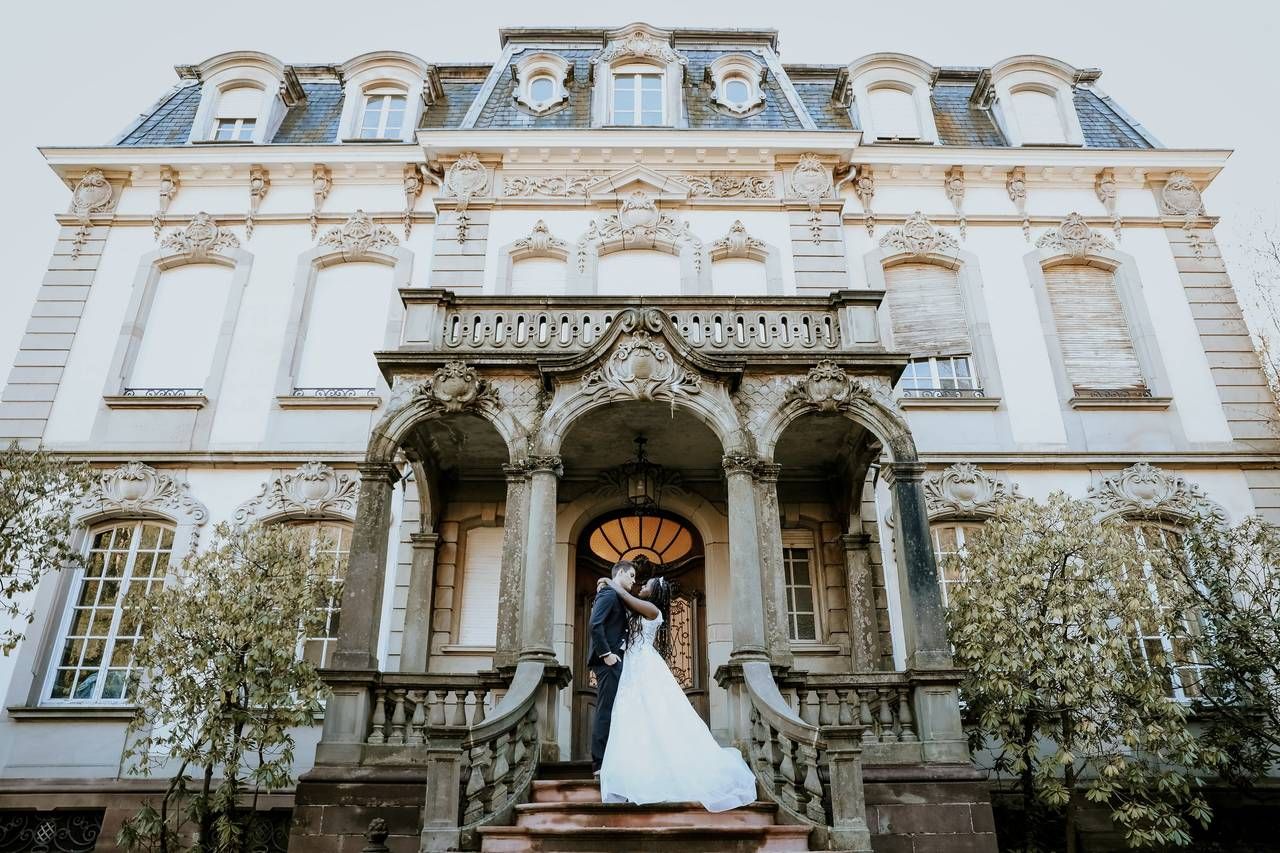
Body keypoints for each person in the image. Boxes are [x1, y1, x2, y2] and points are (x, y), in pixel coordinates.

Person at [596, 572, 758, 812]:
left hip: (644, 666)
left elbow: (623, 596)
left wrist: (611, 582)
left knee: (654, 715)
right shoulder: (641, 609)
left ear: (655, 593)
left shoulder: (653, 611)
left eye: (646, 585)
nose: (641, 586)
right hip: (631, 665)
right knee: (634, 718)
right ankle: (635, 769)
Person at [587, 560, 637, 777]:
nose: (634, 581)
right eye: (632, 575)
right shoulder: (608, 595)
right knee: (605, 710)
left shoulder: (615, 594)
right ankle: (599, 763)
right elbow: (594, 624)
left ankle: (610, 758)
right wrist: (606, 654)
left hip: (616, 662)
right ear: (622, 573)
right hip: (607, 663)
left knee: (612, 709)